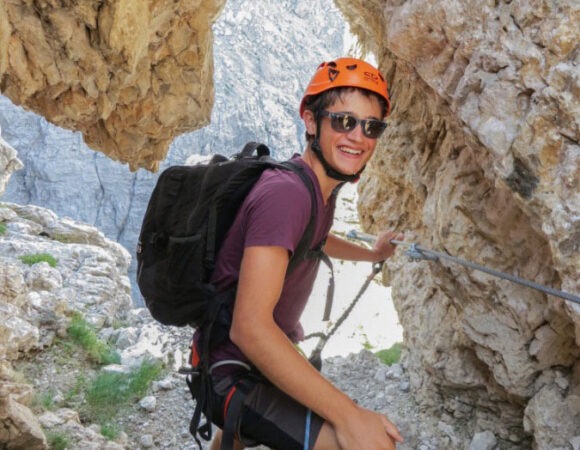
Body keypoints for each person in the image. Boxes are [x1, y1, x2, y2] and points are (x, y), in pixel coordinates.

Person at [198, 57, 404, 450]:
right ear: (311, 121)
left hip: (240, 360)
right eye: (344, 121)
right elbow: (250, 329)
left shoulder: (312, 190)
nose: (358, 137)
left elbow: (315, 239)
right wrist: (349, 416)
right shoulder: (288, 195)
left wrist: (372, 253)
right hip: (231, 372)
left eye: (371, 126)